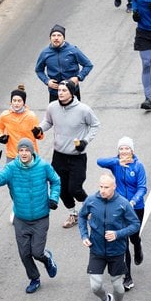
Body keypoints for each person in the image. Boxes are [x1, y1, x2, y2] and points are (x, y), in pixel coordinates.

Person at [0, 138, 61, 293]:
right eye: (21, 150)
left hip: (41, 217)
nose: (24, 153)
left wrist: (53, 198)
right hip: (21, 218)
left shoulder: (43, 166)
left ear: (32, 151)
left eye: (27, 150)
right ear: (17, 152)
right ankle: (34, 278)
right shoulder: (11, 168)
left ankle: (46, 258)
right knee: (24, 253)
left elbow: (56, 181)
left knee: (37, 252)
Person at [35, 80, 100, 229]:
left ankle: (92, 208)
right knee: (61, 189)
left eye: (64, 90)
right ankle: (73, 214)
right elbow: (48, 121)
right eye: (59, 90)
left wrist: (85, 141)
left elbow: (95, 125)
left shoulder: (83, 110)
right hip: (59, 156)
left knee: (74, 188)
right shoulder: (52, 107)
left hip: (77, 156)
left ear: (72, 92)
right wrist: (39, 129)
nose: (60, 93)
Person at [78, 173, 141, 301]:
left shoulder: (123, 203)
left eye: (106, 187)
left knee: (118, 286)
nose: (103, 190)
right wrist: (84, 235)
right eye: (101, 186)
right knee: (95, 286)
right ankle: (105, 300)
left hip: (116, 251)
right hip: (96, 250)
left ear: (114, 187)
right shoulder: (92, 200)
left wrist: (118, 234)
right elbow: (81, 216)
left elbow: (135, 224)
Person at [97, 136, 146, 291]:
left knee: (133, 237)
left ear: (132, 150)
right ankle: (128, 276)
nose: (124, 151)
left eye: (127, 148)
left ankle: (137, 246)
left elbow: (142, 187)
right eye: (121, 149)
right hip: (118, 207)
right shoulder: (116, 164)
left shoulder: (138, 166)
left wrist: (133, 201)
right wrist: (116, 162)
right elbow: (99, 161)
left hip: (135, 207)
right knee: (122, 242)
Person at [35, 24, 93, 102]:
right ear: (50, 38)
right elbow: (39, 70)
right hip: (55, 92)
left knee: (74, 114)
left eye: (59, 35)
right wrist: (47, 81)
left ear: (64, 38)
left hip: (72, 91)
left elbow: (88, 65)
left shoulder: (72, 50)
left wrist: (78, 77)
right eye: (53, 35)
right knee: (55, 114)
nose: (56, 38)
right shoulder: (45, 53)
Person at [0, 84, 42, 163]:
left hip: (29, 155)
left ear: (24, 102)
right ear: (11, 102)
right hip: (12, 155)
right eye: (14, 100)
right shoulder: (5, 115)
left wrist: (38, 133)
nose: (16, 103)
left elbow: (40, 136)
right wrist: (0, 136)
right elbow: (0, 128)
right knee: (9, 175)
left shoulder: (31, 116)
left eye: (19, 101)